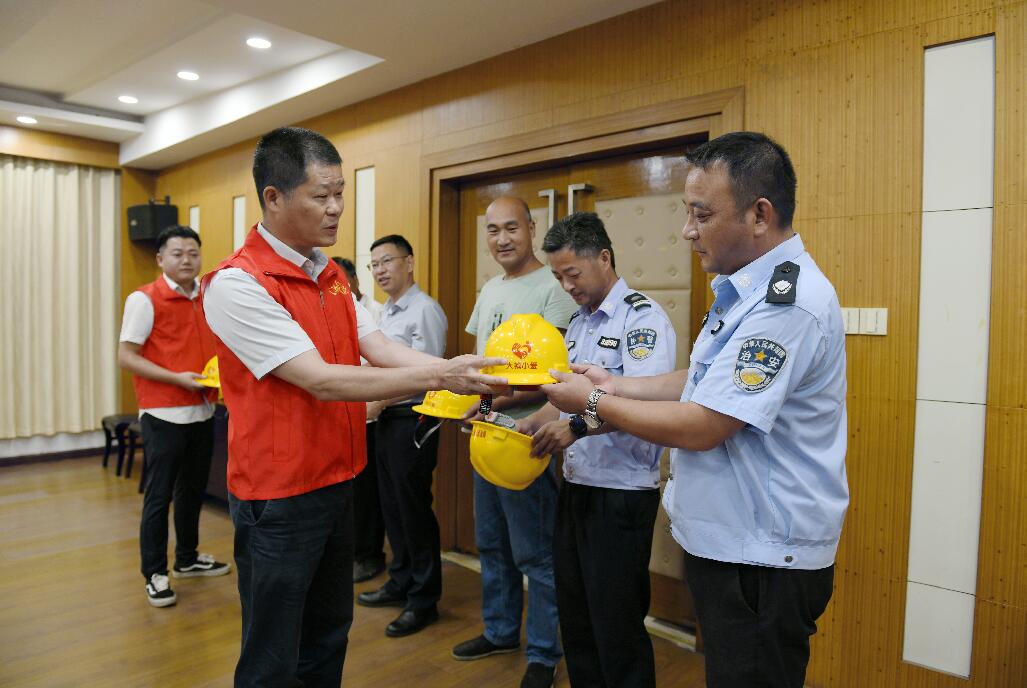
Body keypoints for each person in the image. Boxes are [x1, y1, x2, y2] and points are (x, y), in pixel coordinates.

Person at [202, 126, 506, 688]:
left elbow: (379, 347)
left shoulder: (332, 275)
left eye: (340, 192)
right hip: (278, 497)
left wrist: (461, 371)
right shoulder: (237, 284)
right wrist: (443, 374)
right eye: (321, 195)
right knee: (273, 654)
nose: (336, 207)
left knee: (327, 639)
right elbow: (319, 380)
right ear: (274, 197)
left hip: (338, 479)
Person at [543, 132, 849, 688]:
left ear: (760, 215)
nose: (687, 230)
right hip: (733, 544)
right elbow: (704, 382)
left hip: (761, 555)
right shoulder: (744, 291)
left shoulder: (787, 304)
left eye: (701, 215)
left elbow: (707, 424)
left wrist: (591, 400)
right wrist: (616, 383)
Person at [517, 212, 676, 686]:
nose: (567, 286)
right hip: (577, 486)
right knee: (578, 618)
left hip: (621, 493)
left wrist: (577, 428)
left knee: (616, 627)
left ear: (603, 258)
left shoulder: (641, 319)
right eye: (558, 277)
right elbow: (563, 399)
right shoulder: (577, 323)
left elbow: (642, 404)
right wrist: (531, 423)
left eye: (573, 273)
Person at [452, 196, 577, 688]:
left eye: (511, 228)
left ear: (531, 227)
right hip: (486, 436)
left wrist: (489, 400)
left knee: (535, 553)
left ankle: (544, 652)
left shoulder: (553, 288)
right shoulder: (490, 288)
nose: (502, 239)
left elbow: (554, 376)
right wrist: (470, 398)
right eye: (493, 230)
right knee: (491, 542)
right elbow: (481, 362)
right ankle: (500, 631)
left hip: (530, 441)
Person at [118, 225, 231, 608]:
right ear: (160, 259)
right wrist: (176, 378)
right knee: (159, 495)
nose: (186, 260)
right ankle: (154, 573)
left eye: (193, 253)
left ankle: (187, 558)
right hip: (163, 412)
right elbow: (126, 357)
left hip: (203, 409)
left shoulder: (207, 296)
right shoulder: (144, 299)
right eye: (178, 253)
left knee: (192, 490)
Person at [356, 234, 449, 638]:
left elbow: (427, 375)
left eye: (387, 261)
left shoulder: (424, 310)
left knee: (413, 508)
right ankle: (400, 580)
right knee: (391, 505)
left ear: (409, 263)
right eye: (373, 264)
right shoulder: (385, 313)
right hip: (385, 418)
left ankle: (424, 600)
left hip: (413, 417)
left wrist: (376, 402)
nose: (379, 270)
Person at [332, 256, 388, 583]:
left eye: (338, 282)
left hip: (371, 415)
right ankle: (350, 553)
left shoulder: (374, 312)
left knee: (367, 494)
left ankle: (369, 555)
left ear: (352, 281)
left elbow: (381, 362)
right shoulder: (328, 310)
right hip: (340, 415)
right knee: (346, 491)